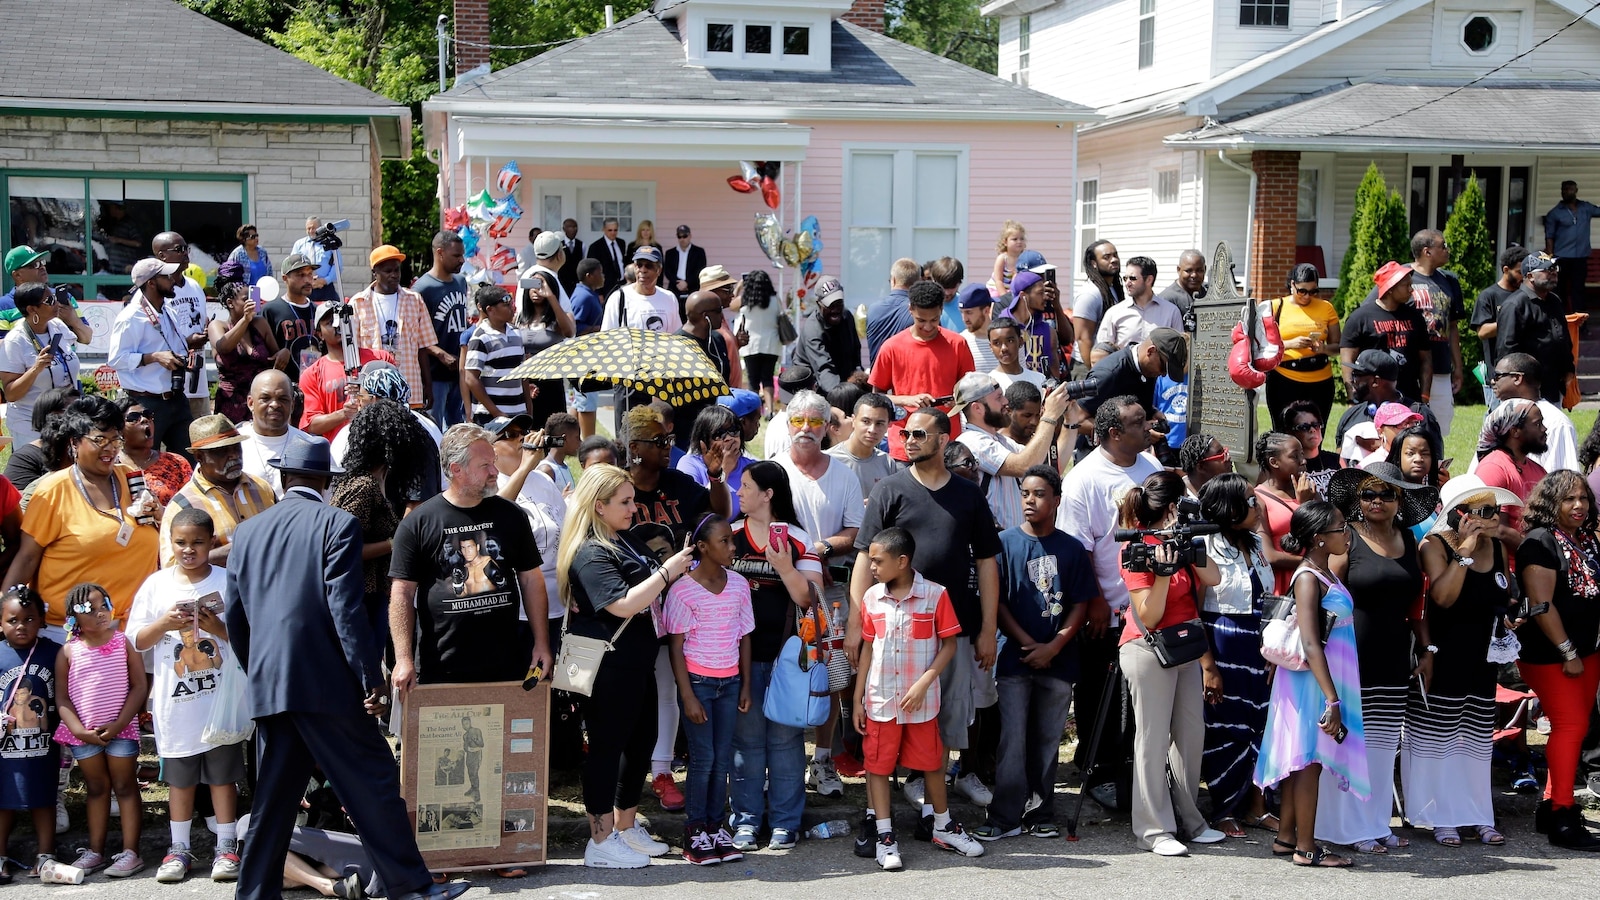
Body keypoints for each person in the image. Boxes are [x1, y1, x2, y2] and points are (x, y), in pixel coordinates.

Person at [223, 438, 464, 900]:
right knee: (373, 780)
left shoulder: (248, 532)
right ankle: (411, 886)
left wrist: (259, 671)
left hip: (272, 685)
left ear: (283, 478)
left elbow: (236, 617)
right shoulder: (337, 523)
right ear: (326, 483)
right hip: (326, 685)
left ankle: (253, 894)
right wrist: (369, 678)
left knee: (274, 801)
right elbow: (345, 609)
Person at [848, 408, 1001, 832]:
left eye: (918, 433)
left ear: (943, 440)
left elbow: (987, 562)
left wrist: (988, 628)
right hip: (891, 632)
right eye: (905, 433)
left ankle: (937, 803)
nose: (908, 440)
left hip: (953, 630)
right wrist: (855, 624)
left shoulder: (970, 495)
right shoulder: (889, 491)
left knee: (946, 717)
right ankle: (894, 802)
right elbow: (865, 556)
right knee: (888, 719)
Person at [555, 464, 695, 868]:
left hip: (636, 661)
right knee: (606, 750)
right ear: (599, 506)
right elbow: (622, 604)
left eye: (633, 499)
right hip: (607, 666)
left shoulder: (624, 537)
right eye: (626, 502)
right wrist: (668, 571)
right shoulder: (589, 550)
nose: (635, 508)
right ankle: (598, 843)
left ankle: (625, 826)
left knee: (639, 744)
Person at [853, 526, 986, 870]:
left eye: (879, 561)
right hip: (880, 702)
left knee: (930, 763)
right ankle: (884, 836)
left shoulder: (935, 595)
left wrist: (926, 681)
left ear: (902, 561)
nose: (872, 567)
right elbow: (868, 647)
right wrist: (857, 698)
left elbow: (950, 644)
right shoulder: (871, 598)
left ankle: (943, 825)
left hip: (921, 703)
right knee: (878, 767)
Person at [1321, 462, 1437, 854]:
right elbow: (1322, 591)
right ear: (1358, 499)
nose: (1376, 501)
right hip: (1349, 656)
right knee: (1349, 746)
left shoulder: (1408, 538)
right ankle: (1347, 828)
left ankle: (1375, 822)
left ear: (1399, 499)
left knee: (1384, 746)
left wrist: (1426, 648)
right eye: (1368, 493)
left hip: (1393, 658)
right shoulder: (1347, 540)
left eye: (1386, 493)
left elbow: (1415, 604)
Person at [973, 466, 1092, 841]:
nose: (1030, 500)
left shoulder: (1071, 548)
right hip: (1014, 659)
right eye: (1025, 493)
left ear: (1056, 500)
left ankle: (1041, 810)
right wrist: (1029, 644)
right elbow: (999, 603)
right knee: (1012, 739)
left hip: (1059, 661)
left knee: (1047, 739)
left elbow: (1080, 604)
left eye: (1039, 494)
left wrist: (1054, 645)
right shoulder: (1004, 542)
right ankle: (1006, 814)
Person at [126, 508, 244, 883]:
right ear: (170, 543)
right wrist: (165, 622)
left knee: (223, 777)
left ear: (213, 543)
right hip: (176, 707)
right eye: (180, 543)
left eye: (197, 543)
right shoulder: (156, 585)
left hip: (220, 703)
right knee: (180, 779)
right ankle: (178, 849)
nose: (189, 550)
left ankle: (226, 846)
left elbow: (249, 637)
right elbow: (137, 640)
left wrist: (218, 629)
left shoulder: (229, 581)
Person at [389, 423, 551, 689]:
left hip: (505, 663)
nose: (495, 472)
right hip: (441, 667)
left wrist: (541, 643)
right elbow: (401, 593)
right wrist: (403, 658)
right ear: (456, 469)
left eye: (494, 462)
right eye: (484, 465)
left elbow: (531, 580)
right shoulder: (418, 522)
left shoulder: (511, 515)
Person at [1115, 471, 1226, 857]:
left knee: (1190, 736)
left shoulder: (1180, 540)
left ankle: (1191, 820)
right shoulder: (1136, 549)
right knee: (1152, 739)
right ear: (1173, 505)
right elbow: (1149, 614)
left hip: (1184, 650)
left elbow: (1213, 576)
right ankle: (1153, 827)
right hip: (1147, 651)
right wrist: (1162, 573)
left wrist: (1187, 547)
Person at [1405, 475, 1519, 849]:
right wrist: (1466, 549)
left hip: (1482, 658)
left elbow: (1501, 595)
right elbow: (1444, 598)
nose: (1489, 518)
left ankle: (1477, 814)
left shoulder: (1497, 548)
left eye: (1493, 510)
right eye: (1481, 511)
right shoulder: (1434, 545)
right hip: (1445, 654)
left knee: (1475, 742)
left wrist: (1510, 615)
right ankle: (1442, 815)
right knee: (1441, 739)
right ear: (1458, 514)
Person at [1253, 500, 1366, 869]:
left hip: (1323, 679)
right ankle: (1307, 847)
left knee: (1302, 758)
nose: (1346, 532)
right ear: (1319, 538)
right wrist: (1332, 701)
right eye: (1339, 527)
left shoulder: (1324, 572)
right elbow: (1311, 643)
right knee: (1309, 761)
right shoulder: (1308, 578)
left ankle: (1287, 837)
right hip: (1314, 683)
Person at [725, 461, 823, 850]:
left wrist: (783, 566)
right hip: (739, 658)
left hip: (789, 661)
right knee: (746, 744)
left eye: (746, 486)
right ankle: (746, 820)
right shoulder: (730, 536)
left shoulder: (797, 539)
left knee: (785, 743)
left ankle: (786, 822)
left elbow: (809, 599)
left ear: (768, 494)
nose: (739, 492)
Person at [4, 398, 160, 643]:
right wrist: (6, 611)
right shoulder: (53, 490)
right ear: (75, 442)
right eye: (100, 440)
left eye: (115, 439)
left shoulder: (131, 478)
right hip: (70, 635)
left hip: (135, 626)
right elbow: (27, 557)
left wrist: (159, 515)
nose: (110, 448)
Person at [771, 391, 864, 792]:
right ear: (787, 424)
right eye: (798, 421)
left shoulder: (842, 473)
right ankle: (783, 762)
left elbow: (856, 530)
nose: (805, 429)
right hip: (780, 589)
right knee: (782, 669)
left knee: (830, 672)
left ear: (828, 427)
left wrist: (821, 548)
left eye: (814, 422)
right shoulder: (773, 470)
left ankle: (822, 760)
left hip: (830, 588)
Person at [1515, 470, 1600, 849]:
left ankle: (1552, 806)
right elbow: (1540, 606)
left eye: (1583, 497)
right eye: (1569, 499)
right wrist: (1568, 652)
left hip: (1588, 652)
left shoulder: (1582, 539)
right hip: (1553, 655)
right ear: (1551, 503)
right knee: (1569, 726)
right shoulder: (1540, 543)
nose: (1579, 505)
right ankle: (1562, 819)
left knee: (1575, 730)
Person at [663, 513, 753, 865]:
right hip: (698, 684)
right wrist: (686, 695)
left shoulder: (739, 585)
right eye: (725, 541)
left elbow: (744, 636)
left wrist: (745, 683)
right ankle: (695, 830)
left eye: (732, 540)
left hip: (730, 684)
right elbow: (675, 646)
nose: (733, 547)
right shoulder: (683, 590)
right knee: (704, 760)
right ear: (702, 547)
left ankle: (717, 827)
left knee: (722, 759)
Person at [1194, 474, 1276, 837]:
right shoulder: (1203, 546)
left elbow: (1269, 595)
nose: (1257, 505)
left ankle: (1257, 807)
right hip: (1224, 649)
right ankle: (1224, 808)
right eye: (1249, 500)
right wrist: (1208, 666)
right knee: (1225, 730)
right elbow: (1195, 612)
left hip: (1259, 648)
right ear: (1229, 508)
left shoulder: (1257, 543)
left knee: (1262, 726)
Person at [53, 583, 148, 877]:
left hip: (122, 731)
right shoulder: (68, 651)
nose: (99, 614)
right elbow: (62, 698)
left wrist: (120, 723)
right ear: (73, 618)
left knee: (125, 787)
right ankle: (95, 852)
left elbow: (139, 685)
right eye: (89, 610)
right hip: (85, 735)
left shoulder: (122, 643)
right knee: (96, 789)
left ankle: (131, 853)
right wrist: (79, 731)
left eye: (103, 605)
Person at [1370, 231, 1464, 436]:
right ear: (1427, 251)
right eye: (1443, 245)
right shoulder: (1400, 276)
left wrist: (1457, 367)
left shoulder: (1450, 280)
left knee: (1437, 427)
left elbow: (1453, 327)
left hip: (1439, 366)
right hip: (1406, 368)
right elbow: (1373, 310)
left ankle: (1436, 466)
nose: (1447, 250)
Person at [951, 372, 1070, 531]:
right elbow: (1025, 466)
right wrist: (1049, 416)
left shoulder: (1001, 441)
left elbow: (1051, 467)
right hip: (994, 545)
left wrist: (1071, 422)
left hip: (1011, 544)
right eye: (999, 397)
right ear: (977, 408)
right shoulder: (971, 442)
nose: (1006, 402)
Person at [870, 283, 975, 462]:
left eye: (934, 320)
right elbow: (877, 398)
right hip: (906, 446)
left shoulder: (958, 344)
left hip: (946, 445)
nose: (927, 327)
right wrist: (907, 400)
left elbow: (971, 390)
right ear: (910, 309)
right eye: (921, 320)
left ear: (942, 310)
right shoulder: (891, 347)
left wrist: (957, 400)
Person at [330, 401, 414, 620]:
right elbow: (344, 549)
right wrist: (395, 543)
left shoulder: (378, 481)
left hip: (375, 593)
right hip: (360, 597)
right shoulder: (363, 486)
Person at [158, 415, 275, 566]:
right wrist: (231, 553)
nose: (234, 455)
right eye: (222, 451)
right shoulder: (183, 505)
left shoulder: (261, 488)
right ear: (200, 457)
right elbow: (172, 567)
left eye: (236, 447)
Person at [0, 586, 60, 878]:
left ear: (42, 620)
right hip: (4, 748)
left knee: (43, 796)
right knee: (2, 801)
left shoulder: (54, 653)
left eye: (29, 619)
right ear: (0, 621)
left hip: (43, 745)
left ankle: (46, 855)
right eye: (13, 620)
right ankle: (0, 857)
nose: (21, 626)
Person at [108, 257, 193, 457]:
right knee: (145, 461)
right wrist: (154, 357)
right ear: (151, 283)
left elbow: (171, 346)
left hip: (177, 398)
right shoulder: (130, 317)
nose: (173, 279)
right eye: (167, 276)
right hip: (146, 404)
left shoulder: (167, 308)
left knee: (188, 461)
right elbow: (116, 359)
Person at [351, 246, 443, 409]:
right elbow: (354, 352)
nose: (394, 275)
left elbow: (422, 347)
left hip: (409, 385)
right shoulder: (358, 303)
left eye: (396, 270)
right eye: (388, 271)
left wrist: (427, 385)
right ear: (375, 272)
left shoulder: (414, 300)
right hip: (373, 390)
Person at [0, 285, 84, 447]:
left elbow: (84, 339)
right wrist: (35, 369)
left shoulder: (58, 326)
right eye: (49, 300)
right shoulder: (15, 341)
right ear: (32, 309)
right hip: (31, 424)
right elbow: (10, 394)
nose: (56, 304)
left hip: (65, 418)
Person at [300, 301, 396, 439]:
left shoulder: (381, 358)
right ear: (320, 334)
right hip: (340, 450)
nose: (338, 325)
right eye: (330, 322)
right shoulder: (312, 374)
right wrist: (343, 414)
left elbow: (398, 399)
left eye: (343, 320)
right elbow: (311, 425)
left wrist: (367, 395)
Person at [1340, 261, 1431, 403]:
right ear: (1390, 288)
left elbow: (1426, 359)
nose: (1411, 290)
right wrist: (1353, 398)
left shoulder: (1415, 317)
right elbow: (1347, 362)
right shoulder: (1359, 318)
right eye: (1406, 285)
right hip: (1371, 399)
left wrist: (1425, 396)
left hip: (1408, 398)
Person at [1265, 264, 1340, 431]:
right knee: (1284, 433)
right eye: (1302, 291)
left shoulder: (1326, 307)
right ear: (1292, 285)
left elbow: (1337, 347)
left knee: (1315, 433)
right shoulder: (1276, 307)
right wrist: (1290, 344)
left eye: (1313, 291)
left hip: (1320, 380)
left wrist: (1323, 349)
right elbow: (1262, 346)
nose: (1307, 296)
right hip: (1284, 379)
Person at [1476, 353, 1579, 474]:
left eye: (1498, 376)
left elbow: (1565, 479)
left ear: (1517, 378)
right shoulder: (1500, 415)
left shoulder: (1556, 422)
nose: (1492, 381)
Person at [1495, 253, 1572, 405]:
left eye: (1554, 268)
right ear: (1530, 276)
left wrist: (1569, 368)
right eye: (1547, 269)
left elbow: (1562, 338)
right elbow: (1507, 350)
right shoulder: (1515, 305)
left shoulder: (1554, 301)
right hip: (1526, 390)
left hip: (1553, 384)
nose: (1554, 272)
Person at [1332, 349, 1441, 456]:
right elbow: (1338, 462)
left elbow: (1434, 464)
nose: (1351, 380)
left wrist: (1382, 445)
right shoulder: (1350, 416)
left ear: (1376, 381)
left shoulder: (1419, 415)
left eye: (1356, 375)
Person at [151, 233, 213, 421]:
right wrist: (187, 343)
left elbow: (202, 319)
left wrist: (206, 331)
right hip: (168, 386)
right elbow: (153, 341)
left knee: (202, 441)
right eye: (179, 249)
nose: (185, 253)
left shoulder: (194, 286)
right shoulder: (156, 291)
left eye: (187, 248)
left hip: (197, 381)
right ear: (162, 256)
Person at [209, 276, 286, 424]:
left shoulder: (260, 323)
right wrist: (245, 319)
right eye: (246, 299)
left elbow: (276, 354)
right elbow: (224, 347)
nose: (251, 302)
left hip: (261, 403)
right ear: (230, 303)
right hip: (230, 405)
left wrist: (284, 353)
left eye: (252, 298)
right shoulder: (218, 326)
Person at [411, 232, 470, 427]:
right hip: (435, 373)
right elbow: (413, 333)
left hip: (459, 370)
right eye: (456, 255)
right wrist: (440, 354)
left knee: (458, 426)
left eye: (462, 255)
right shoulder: (423, 288)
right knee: (433, 426)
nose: (461, 260)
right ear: (440, 253)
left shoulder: (461, 282)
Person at [237, 370, 319, 499]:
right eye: (265, 398)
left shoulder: (311, 447)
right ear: (251, 403)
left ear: (292, 405)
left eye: (283, 399)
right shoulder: (232, 446)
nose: (275, 404)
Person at [1254, 430, 1319, 593]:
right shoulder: (1259, 499)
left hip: (1315, 581)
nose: (1303, 461)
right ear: (1274, 462)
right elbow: (1269, 555)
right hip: (1282, 586)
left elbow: (1328, 530)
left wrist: (1307, 502)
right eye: (1294, 456)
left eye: (1302, 454)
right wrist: (1312, 564)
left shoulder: (1309, 492)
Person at [1473, 398, 1547, 535]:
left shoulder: (1539, 470)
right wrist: (1537, 551)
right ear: (1515, 432)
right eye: (1537, 424)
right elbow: (1498, 529)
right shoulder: (1493, 468)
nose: (1544, 429)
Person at [1471, 245, 1531, 404]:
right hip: (1499, 375)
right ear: (1506, 270)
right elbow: (1482, 332)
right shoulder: (1488, 296)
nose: (1522, 277)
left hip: (1525, 372)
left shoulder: (1526, 296)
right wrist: (1510, 321)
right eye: (1519, 272)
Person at [1092, 256, 1181, 363]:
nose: (1127, 283)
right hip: (1124, 376)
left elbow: (1178, 350)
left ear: (1149, 280)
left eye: (1132, 278)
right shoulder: (1114, 313)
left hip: (1159, 376)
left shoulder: (1171, 312)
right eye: (1125, 278)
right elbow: (1101, 351)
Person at [462, 284, 530, 423]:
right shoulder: (481, 337)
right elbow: (471, 378)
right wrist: (496, 412)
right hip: (490, 416)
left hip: (517, 411)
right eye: (506, 305)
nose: (512, 308)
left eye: (511, 304)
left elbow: (523, 373)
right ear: (490, 310)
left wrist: (529, 407)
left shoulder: (516, 333)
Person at [515, 270, 575, 426]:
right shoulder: (519, 317)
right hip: (524, 382)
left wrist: (551, 296)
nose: (536, 290)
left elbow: (569, 332)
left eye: (540, 285)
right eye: (532, 285)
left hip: (550, 382)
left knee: (552, 433)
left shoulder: (558, 317)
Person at [791, 277, 867, 394]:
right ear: (818, 304)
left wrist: (858, 378)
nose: (835, 309)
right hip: (812, 385)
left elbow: (855, 351)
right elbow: (824, 370)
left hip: (839, 376)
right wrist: (843, 396)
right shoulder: (812, 330)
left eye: (839, 303)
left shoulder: (847, 317)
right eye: (830, 305)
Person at [826, 393, 901, 499]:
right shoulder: (829, 460)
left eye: (879, 423)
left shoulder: (887, 462)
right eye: (866, 421)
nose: (872, 430)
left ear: (888, 425)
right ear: (853, 420)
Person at [4, 386, 78, 493]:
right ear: (50, 416)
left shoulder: (91, 452)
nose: (84, 417)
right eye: (73, 411)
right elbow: (19, 503)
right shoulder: (25, 458)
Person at [259, 254, 320, 383]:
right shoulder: (271, 310)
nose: (307, 280)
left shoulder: (319, 311)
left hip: (316, 385)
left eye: (310, 274)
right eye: (300, 275)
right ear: (285, 278)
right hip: (284, 385)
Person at [1545, 180, 1600, 315]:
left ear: (1576, 191)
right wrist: (1551, 257)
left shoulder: (1586, 208)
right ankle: (1562, 319)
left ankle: (1581, 323)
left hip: (1580, 257)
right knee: (1560, 290)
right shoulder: (1555, 213)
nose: (1566, 192)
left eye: (1569, 189)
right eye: (1564, 189)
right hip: (1562, 257)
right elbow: (1549, 236)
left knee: (1579, 290)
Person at [730, 269, 780, 407]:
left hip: (750, 344)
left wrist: (739, 287)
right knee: (768, 378)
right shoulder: (775, 299)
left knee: (753, 380)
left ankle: (754, 408)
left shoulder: (745, 299)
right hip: (771, 343)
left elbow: (730, 304)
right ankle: (770, 410)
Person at [1072, 240, 1123, 371]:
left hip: (1106, 364)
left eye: (1115, 255)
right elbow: (1083, 339)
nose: (1114, 260)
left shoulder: (1113, 288)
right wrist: (1094, 371)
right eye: (1106, 257)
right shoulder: (1089, 294)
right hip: (1086, 367)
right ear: (1093, 263)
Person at [866, 259, 919, 365]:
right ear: (918, 282)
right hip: (905, 379)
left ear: (893, 280)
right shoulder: (918, 313)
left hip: (877, 379)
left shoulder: (873, 309)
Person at [1283, 401, 1338, 494]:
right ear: (1290, 433)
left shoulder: (1336, 460)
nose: (1312, 430)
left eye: (1316, 425)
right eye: (1304, 427)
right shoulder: (1288, 467)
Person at [289, 217, 341, 303]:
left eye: (314, 228)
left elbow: (338, 266)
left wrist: (325, 280)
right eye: (308, 228)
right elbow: (294, 266)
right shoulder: (299, 245)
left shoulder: (330, 243)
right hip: (305, 286)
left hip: (325, 287)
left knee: (331, 313)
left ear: (320, 228)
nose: (311, 231)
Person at [987, 317, 1044, 394]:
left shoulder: (1039, 379)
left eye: (1010, 341)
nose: (1004, 348)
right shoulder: (988, 385)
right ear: (991, 347)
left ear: (1020, 342)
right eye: (997, 343)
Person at [953, 285, 999, 373]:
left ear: (986, 310)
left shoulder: (1007, 339)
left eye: (969, 312)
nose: (964, 319)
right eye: (961, 312)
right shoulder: (960, 342)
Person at [1178, 433, 1231, 499]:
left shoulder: (1228, 489)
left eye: (1225, 452)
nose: (1228, 457)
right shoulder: (1177, 499)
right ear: (1201, 467)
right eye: (1220, 454)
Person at [664, 224, 706, 299]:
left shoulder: (699, 252)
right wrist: (677, 283)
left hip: (693, 289)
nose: (682, 239)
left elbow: (700, 269)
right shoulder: (670, 253)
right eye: (679, 236)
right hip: (674, 288)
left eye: (685, 236)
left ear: (690, 236)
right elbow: (667, 271)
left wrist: (687, 283)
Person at [989, 220, 1026, 298]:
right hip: (997, 289)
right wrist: (1004, 296)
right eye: (1015, 239)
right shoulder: (1002, 258)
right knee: (995, 297)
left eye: (1022, 239)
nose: (1019, 241)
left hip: (1012, 290)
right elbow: (998, 281)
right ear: (1005, 242)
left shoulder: (1024, 259)